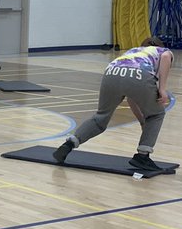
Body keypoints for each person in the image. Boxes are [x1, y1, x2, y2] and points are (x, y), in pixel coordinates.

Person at [52, 40, 174, 172]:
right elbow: (166, 57)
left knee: (100, 117)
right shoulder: (162, 51)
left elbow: (132, 98)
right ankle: (142, 156)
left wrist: (142, 122)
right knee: (156, 114)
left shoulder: (134, 51)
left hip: (111, 72)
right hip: (138, 75)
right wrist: (162, 89)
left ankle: (69, 144)